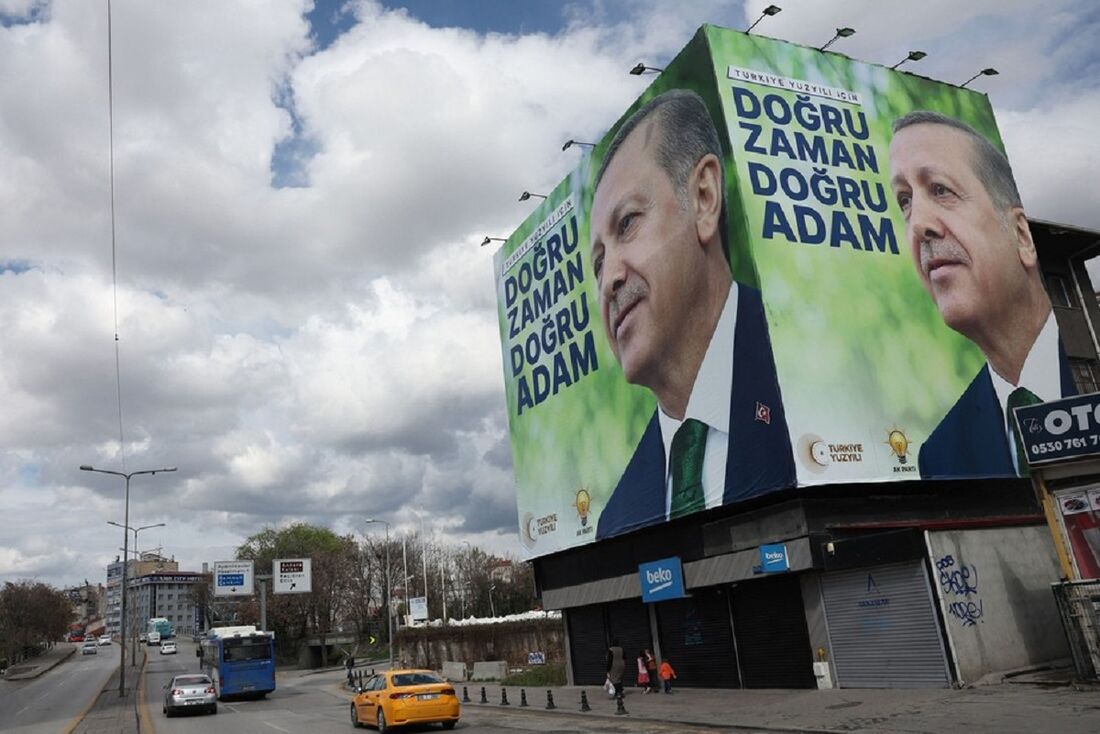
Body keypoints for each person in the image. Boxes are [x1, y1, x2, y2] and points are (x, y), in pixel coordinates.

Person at [590, 88, 795, 540]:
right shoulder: (617, 519)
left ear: (704, 197)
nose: (609, 282)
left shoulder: (816, 380)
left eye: (627, 223)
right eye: (598, 262)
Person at [888, 110, 1077, 478]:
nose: (919, 225)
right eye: (905, 201)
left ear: (1021, 235)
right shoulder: (940, 454)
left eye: (940, 189)